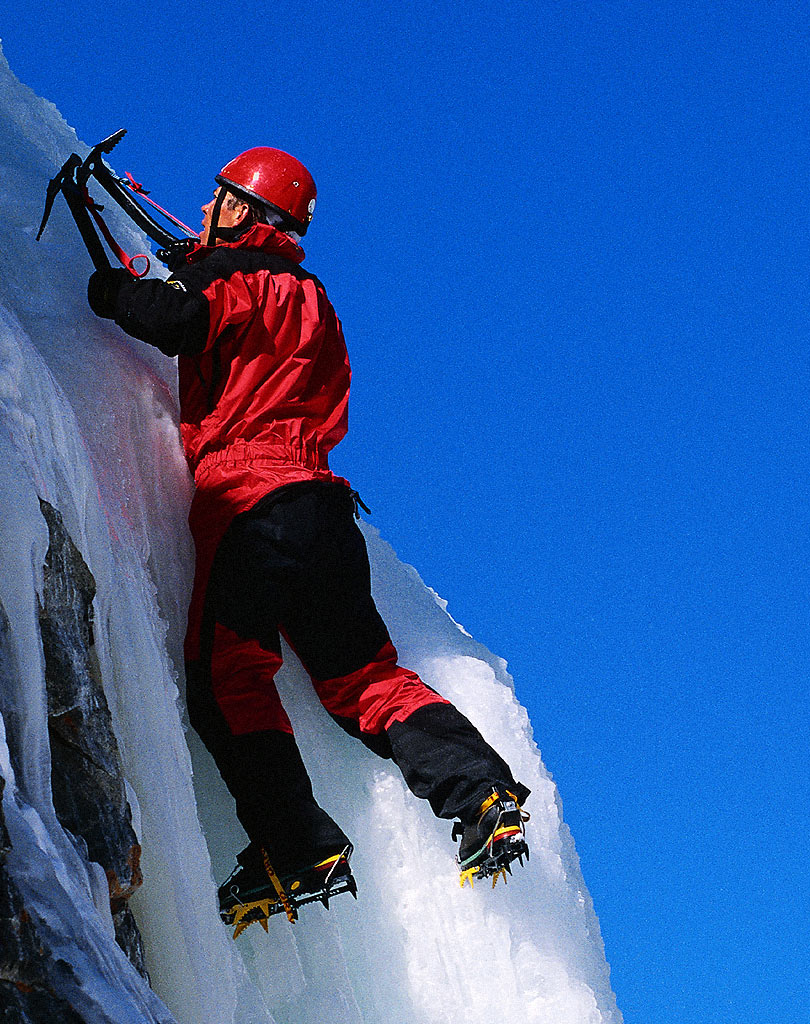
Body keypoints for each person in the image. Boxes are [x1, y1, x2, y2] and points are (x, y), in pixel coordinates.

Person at [87, 147, 529, 928]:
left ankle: (298, 848)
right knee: (365, 679)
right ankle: (482, 791)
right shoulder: (313, 301)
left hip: (253, 503)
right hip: (324, 511)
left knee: (226, 677)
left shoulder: (231, 273)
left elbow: (174, 318)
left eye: (220, 196)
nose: (206, 207)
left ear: (246, 212)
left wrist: (115, 290)